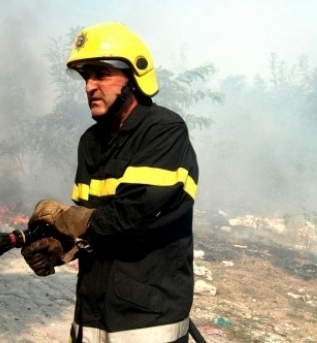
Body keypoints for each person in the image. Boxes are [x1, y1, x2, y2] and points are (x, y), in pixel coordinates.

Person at [21, 21, 199, 343]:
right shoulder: (91, 142)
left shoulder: (163, 130)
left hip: (146, 326)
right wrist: (60, 247)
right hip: (91, 319)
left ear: (134, 77)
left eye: (101, 74)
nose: (89, 86)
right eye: (86, 76)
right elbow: (93, 224)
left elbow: (136, 215)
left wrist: (66, 219)